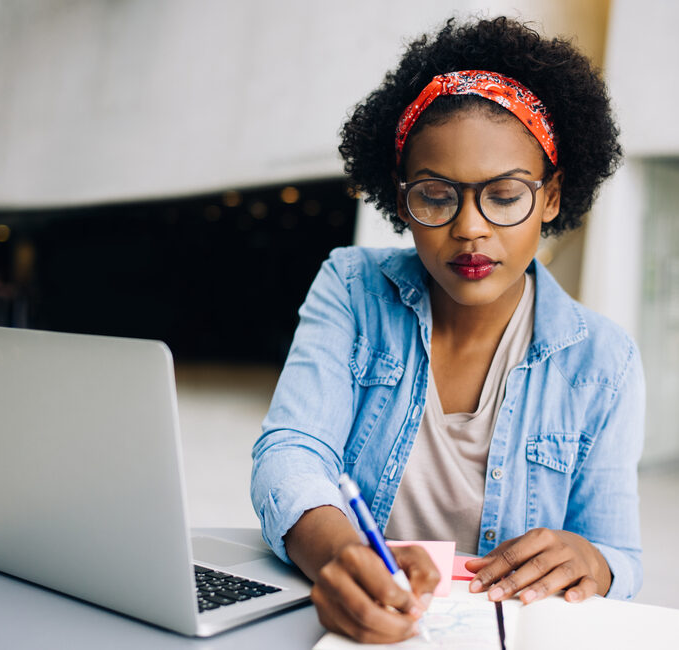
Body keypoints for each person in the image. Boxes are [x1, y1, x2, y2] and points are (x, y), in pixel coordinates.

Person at [251, 16, 643, 644]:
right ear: (400, 197)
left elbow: (620, 553)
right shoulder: (353, 288)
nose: (469, 229)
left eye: (505, 196)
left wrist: (594, 561)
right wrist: (343, 557)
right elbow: (292, 452)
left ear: (550, 197)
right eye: (436, 196)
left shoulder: (604, 361)